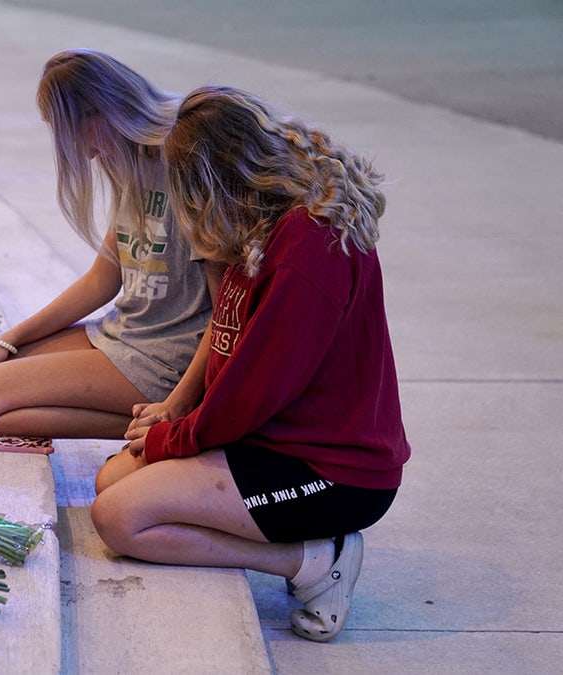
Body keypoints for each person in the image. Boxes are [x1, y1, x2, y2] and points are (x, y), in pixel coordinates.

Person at [91, 85, 410, 642]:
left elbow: (254, 392)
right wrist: (173, 415)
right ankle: (299, 548)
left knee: (120, 518)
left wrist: (174, 438)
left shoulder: (308, 246)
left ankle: (314, 560)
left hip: (330, 473)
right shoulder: (262, 224)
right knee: (113, 479)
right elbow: (227, 346)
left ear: (214, 178)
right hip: (272, 442)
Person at [0, 50, 222, 439]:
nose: (66, 144)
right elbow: (102, 280)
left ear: (99, 113)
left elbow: (225, 309)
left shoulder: (181, 160)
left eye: (64, 128)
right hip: (128, 332)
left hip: (165, 358)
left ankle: (172, 425)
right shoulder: (127, 157)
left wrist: (180, 398)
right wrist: (7, 339)